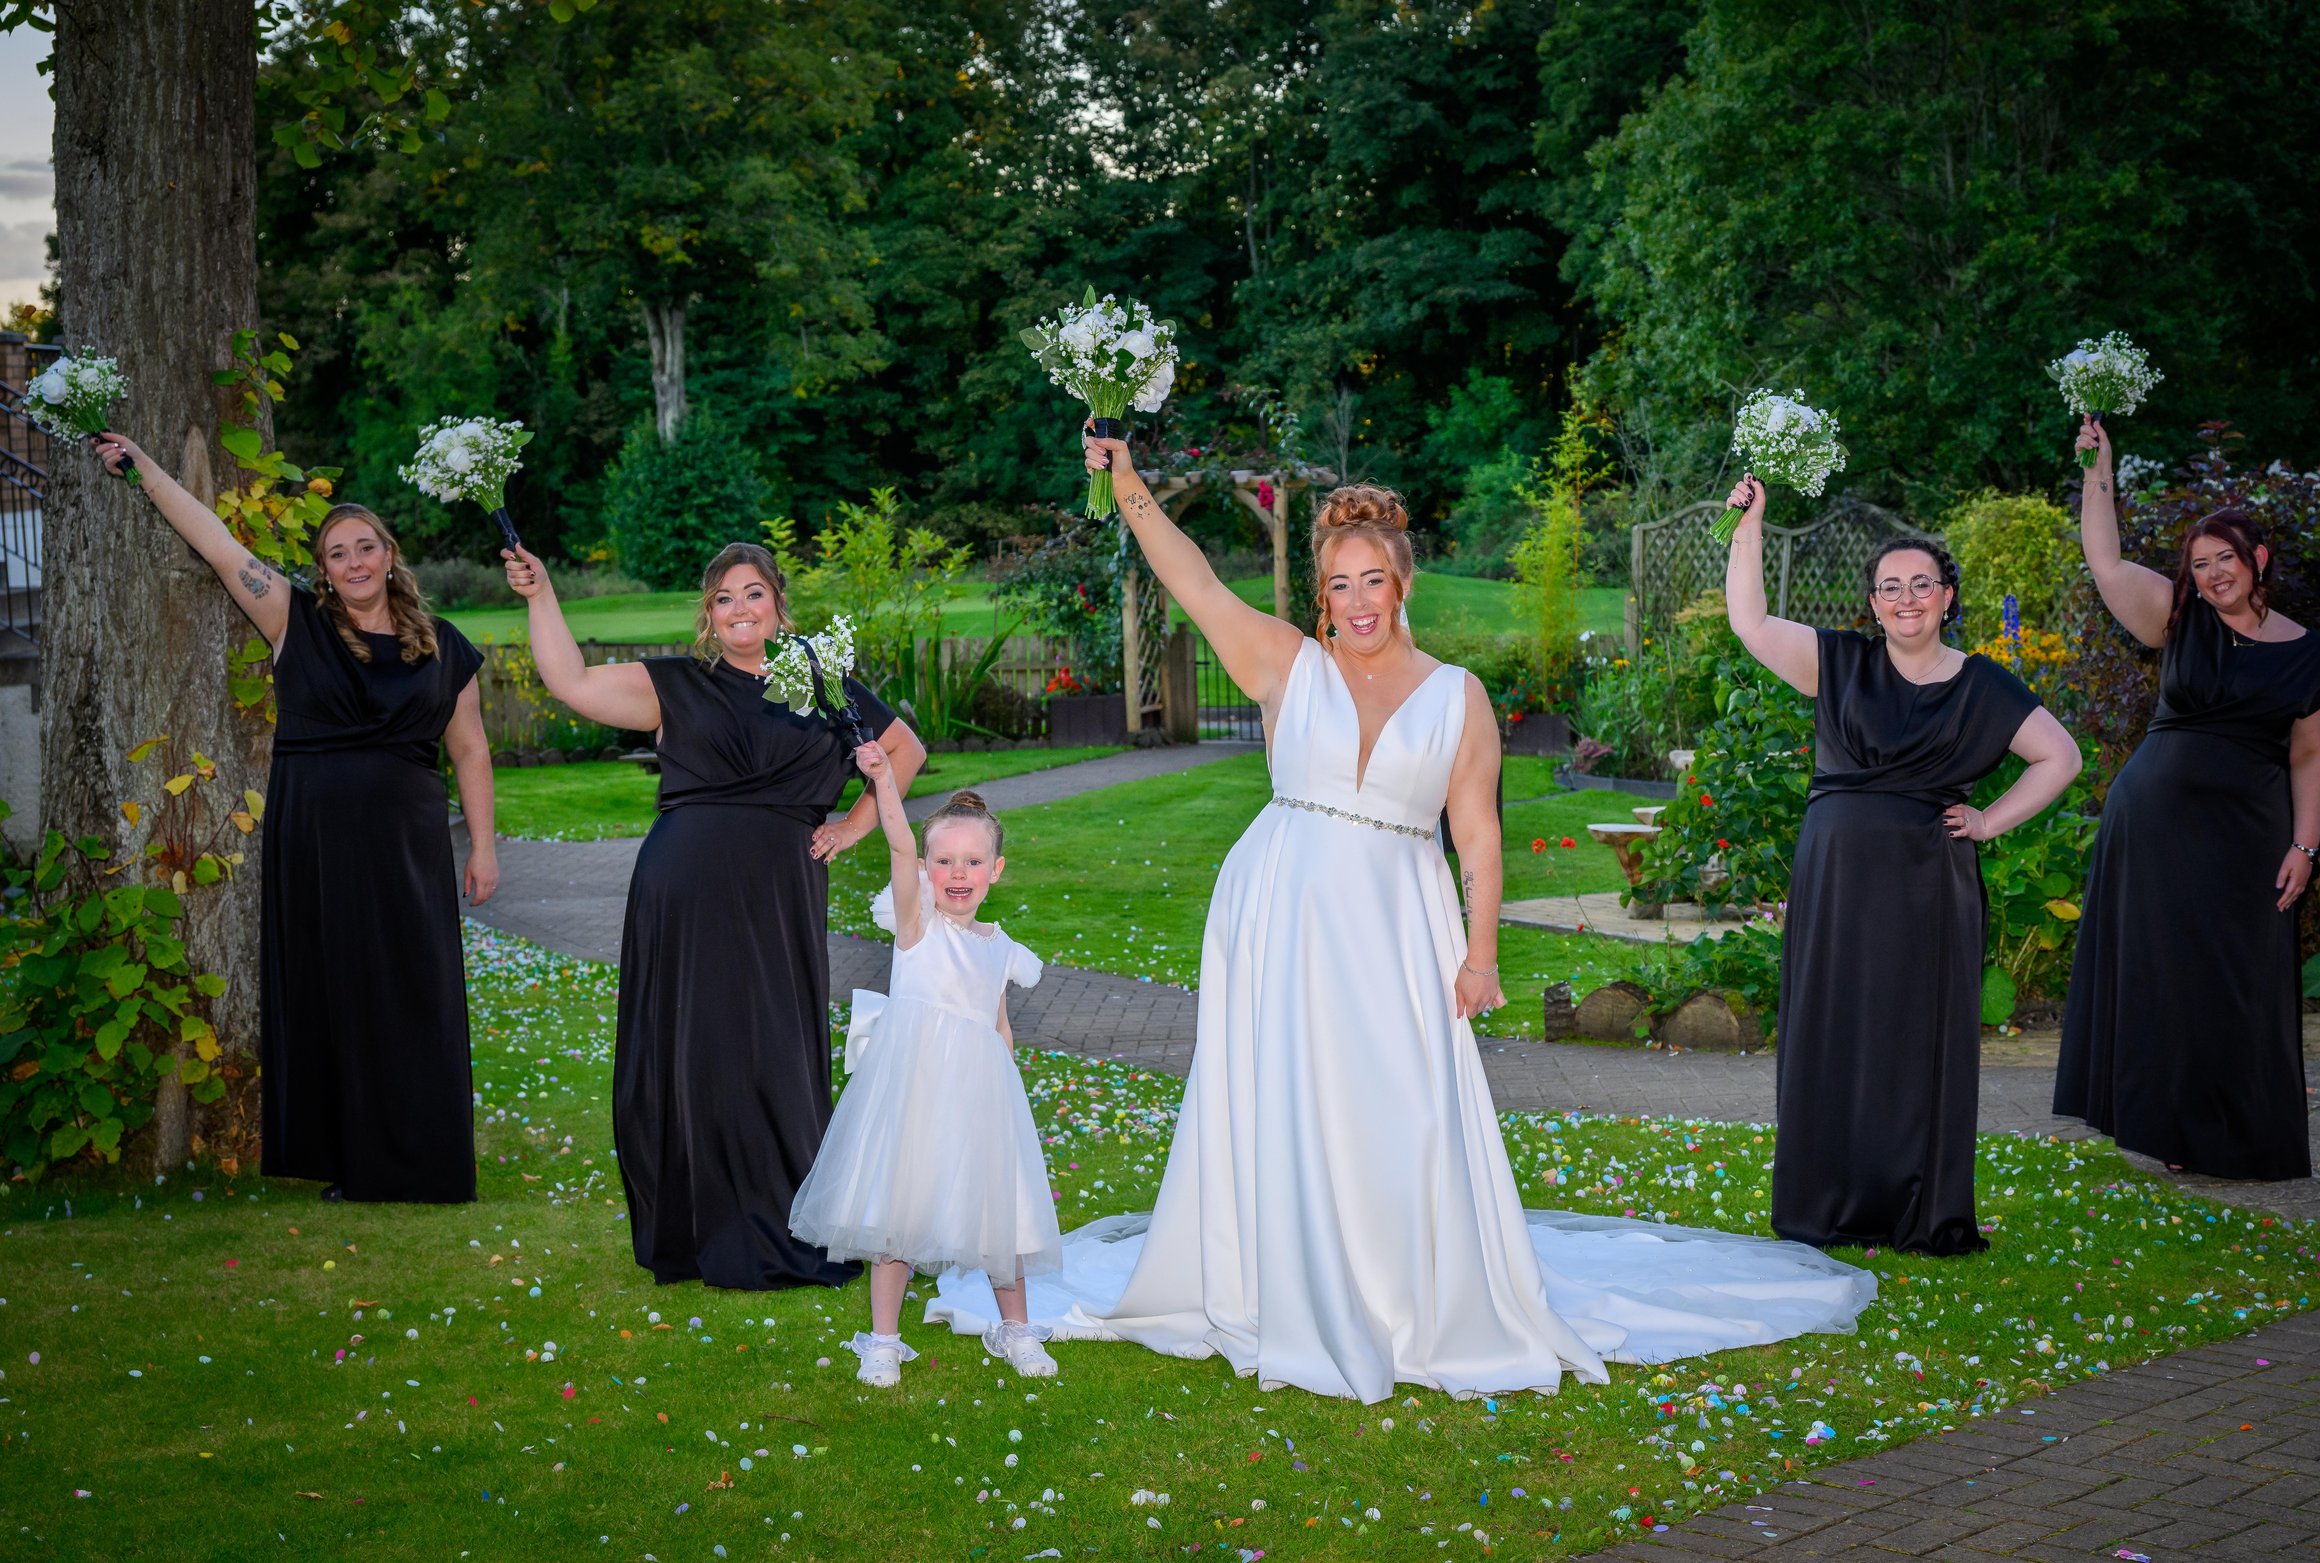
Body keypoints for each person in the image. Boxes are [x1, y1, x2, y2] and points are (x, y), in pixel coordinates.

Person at [923, 434, 1877, 1404]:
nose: (1358, 602)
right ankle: (1273, 1272)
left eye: (1373, 580)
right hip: (1281, 909)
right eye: (1339, 586)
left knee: (1399, 1104)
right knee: (1284, 1095)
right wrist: (1127, 486)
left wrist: (1481, 954)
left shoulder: (1458, 698)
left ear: (1403, 581)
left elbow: (1480, 839)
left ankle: (1401, 1289)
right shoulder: (1282, 663)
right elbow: (1196, 582)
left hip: (1398, 922)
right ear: (1321, 597)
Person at [501, 538, 925, 1288]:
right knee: (694, 1049)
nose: (740, 608)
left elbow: (905, 750)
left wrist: (851, 827)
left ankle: (789, 1212)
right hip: (684, 887)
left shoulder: (822, 682)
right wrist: (540, 595)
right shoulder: (676, 685)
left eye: (753, 592)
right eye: (725, 597)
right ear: (708, 613)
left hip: (778, 893)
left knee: (771, 1046)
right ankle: (697, 1223)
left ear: (778, 604)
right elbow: (568, 681)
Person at [91, 434, 496, 1204]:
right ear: (325, 567)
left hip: (408, 842)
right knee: (336, 993)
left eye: (365, 546)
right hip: (316, 840)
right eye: (337, 552)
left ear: (388, 553)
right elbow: (215, 543)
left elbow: (471, 752)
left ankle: (429, 1164)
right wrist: (144, 466)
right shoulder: (293, 621)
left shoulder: (444, 647)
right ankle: (354, 1164)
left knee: (417, 989)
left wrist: (483, 847)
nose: (353, 562)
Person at [1720, 474, 2083, 1255]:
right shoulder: (1838, 663)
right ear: (1874, 602)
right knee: (1832, 1028)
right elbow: (1748, 622)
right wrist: (1752, 522)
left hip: (1927, 884)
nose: (1907, 598)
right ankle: (1828, 1203)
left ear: (1948, 595)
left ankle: (1918, 1204)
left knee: (1915, 1039)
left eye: (1922, 584)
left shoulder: (1982, 682)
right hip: (1837, 881)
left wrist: (1988, 819)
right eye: (1891, 588)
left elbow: (2061, 756)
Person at [2054, 419, 2320, 1180]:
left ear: (2259, 560)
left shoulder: (2310, 654)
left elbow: (2313, 752)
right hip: (2152, 828)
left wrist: (2306, 846)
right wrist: (2099, 470)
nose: (2214, 573)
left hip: (2250, 836)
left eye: (2226, 559)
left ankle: (2239, 1133)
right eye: (2201, 563)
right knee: (2165, 979)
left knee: (2238, 981)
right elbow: (2106, 558)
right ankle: (2173, 1133)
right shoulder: (2178, 618)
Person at [788, 767, 1061, 1386]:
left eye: (971, 861)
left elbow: (998, 1026)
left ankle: (1015, 1329)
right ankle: (883, 1340)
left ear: (996, 870)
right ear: (925, 870)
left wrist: (1005, 1093)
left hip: (978, 1097)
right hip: (914, 1095)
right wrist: (885, 784)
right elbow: (899, 843)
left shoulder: (998, 946)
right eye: (943, 861)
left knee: (1001, 1214)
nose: (956, 874)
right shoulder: (916, 928)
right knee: (900, 1213)